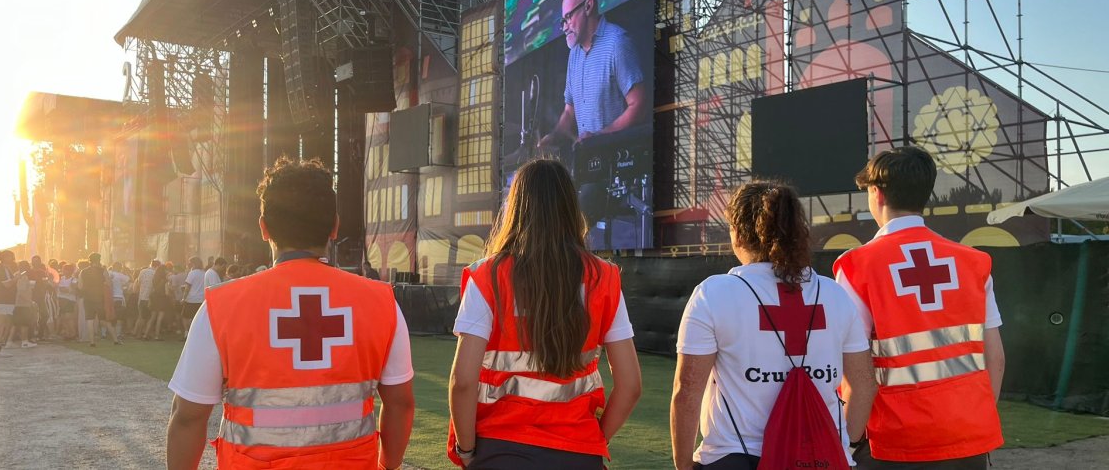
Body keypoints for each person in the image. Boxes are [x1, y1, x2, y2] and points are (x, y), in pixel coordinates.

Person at [167, 156, 415, 469]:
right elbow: (400, 404)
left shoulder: (221, 306)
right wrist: (387, 466)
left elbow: (187, 418)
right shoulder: (381, 302)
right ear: (335, 226)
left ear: (264, 228)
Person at [447, 159, 642, 468]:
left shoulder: (487, 276)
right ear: (570, 206)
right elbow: (631, 385)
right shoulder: (603, 277)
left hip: (501, 450)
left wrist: (468, 451)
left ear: (515, 208)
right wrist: (592, 441)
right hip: (578, 451)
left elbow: (463, 382)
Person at [670, 181, 876, 470]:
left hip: (736, 458)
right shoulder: (834, 294)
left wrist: (682, 465)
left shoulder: (713, 293)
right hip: (822, 458)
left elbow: (687, 390)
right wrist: (845, 444)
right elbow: (864, 384)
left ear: (739, 232)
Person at [834, 147, 1006, 469]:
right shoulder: (974, 263)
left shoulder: (857, 267)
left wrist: (849, 440)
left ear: (877, 193)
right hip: (967, 440)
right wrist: (972, 427)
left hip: (892, 446)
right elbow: (994, 358)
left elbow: (859, 375)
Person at [538, 0, 646, 149]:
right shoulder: (574, 55)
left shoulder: (617, 43)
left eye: (568, 17)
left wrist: (599, 137)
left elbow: (639, 105)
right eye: (563, 21)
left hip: (616, 160)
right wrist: (555, 136)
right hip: (587, 161)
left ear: (588, 6)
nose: (564, 27)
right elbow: (569, 111)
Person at [0, 250, 23, 356]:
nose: (13, 259)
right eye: (11, 257)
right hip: (1, 299)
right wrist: (16, 278)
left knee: (2, 322)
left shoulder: (5, 269)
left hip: (5, 299)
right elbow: (6, 284)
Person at [78, 253, 120, 347]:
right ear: (99, 260)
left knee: (90, 320)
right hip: (100, 298)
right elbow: (109, 283)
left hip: (88, 298)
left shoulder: (83, 272)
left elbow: (80, 286)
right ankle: (115, 340)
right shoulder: (103, 271)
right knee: (105, 319)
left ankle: (92, 342)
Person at [7, 261, 38, 348]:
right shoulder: (22, 277)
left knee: (15, 323)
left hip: (18, 303)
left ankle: (9, 341)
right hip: (23, 303)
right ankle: (24, 341)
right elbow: (21, 291)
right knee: (24, 323)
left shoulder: (16, 275)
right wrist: (30, 301)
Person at [179, 257, 205, 339]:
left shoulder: (192, 273)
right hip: (201, 299)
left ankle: (187, 333)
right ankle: (196, 333)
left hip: (191, 299)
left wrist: (183, 298)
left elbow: (187, 287)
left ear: (193, 264)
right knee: (197, 317)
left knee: (185, 316)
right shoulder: (204, 273)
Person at [132, 260, 159, 339]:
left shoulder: (143, 271)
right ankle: (142, 334)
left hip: (141, 296)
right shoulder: (155, 273)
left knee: (141, 316)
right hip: (150, 298)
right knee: (148, 318)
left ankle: (137, 333)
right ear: (157, 266)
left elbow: (139, 282)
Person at [56, 264, 79, 339]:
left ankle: (73, 333)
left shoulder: (74, 279)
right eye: (63, 269)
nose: (64, 271)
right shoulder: (61, 278)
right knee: (63, 317)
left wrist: (66, 290)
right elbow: (59, 287)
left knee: (68, 317)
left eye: (66, 270)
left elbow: (73, 289)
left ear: (70, 271)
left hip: (69, 300)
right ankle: (67, 333)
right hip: (61, 300)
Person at [109, 262, 130, 338]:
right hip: (119, 297)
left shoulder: (108, 273)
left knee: (109, 316)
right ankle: (117, 334)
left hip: (109, 297)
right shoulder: (120, 275)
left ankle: (106, 334)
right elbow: (129, 280)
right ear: (119, 268)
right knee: (119, 317)